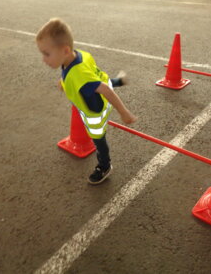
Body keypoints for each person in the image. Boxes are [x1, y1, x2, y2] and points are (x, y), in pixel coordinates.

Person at [36, 18, 137, 185]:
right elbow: (94, 78)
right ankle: (120, 81)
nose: (43, 59)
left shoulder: (79, 75)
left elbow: (103, 89)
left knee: (99, 139)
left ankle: (104, 165)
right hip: (97, 83)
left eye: (46, 54)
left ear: (65, 50)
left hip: (96, 109)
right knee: (100, 83)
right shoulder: (77, 55)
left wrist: (124, 113)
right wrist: (64, 81)